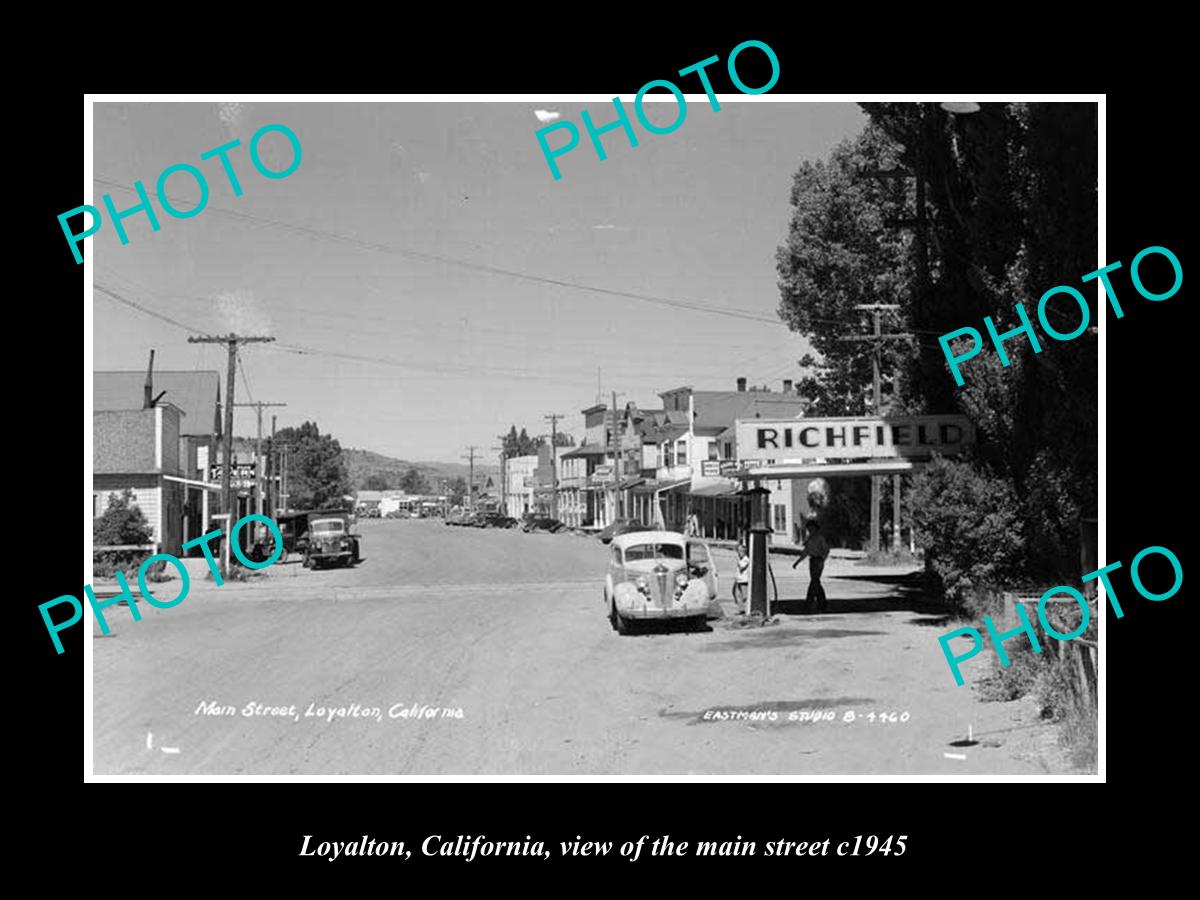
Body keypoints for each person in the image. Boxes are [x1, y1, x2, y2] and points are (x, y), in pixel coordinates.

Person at [792, 518, 831, 613]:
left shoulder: (820, 538)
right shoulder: (809, 539)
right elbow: (805, 552)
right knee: (815, 582)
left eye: (811, 529)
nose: (810, 531)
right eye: (808, 529)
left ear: (815, 528)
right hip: (812, 560)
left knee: (814, 581)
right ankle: (821, 602)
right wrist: (797, 562)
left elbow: (826, 550)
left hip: (818, 560)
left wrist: (823, 559)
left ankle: (809, 603)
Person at [733, 543, 750, 610]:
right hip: (739, 579)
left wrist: (738, 561)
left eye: (740, 551)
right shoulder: (741, 559)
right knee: (738, 594)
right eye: (738, 551)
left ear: (744, 552)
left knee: (744, 596)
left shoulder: (746, 559)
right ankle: (741, 609)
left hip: (744, 580)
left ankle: (746, 608)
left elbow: (741, 568)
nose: (738, 553)